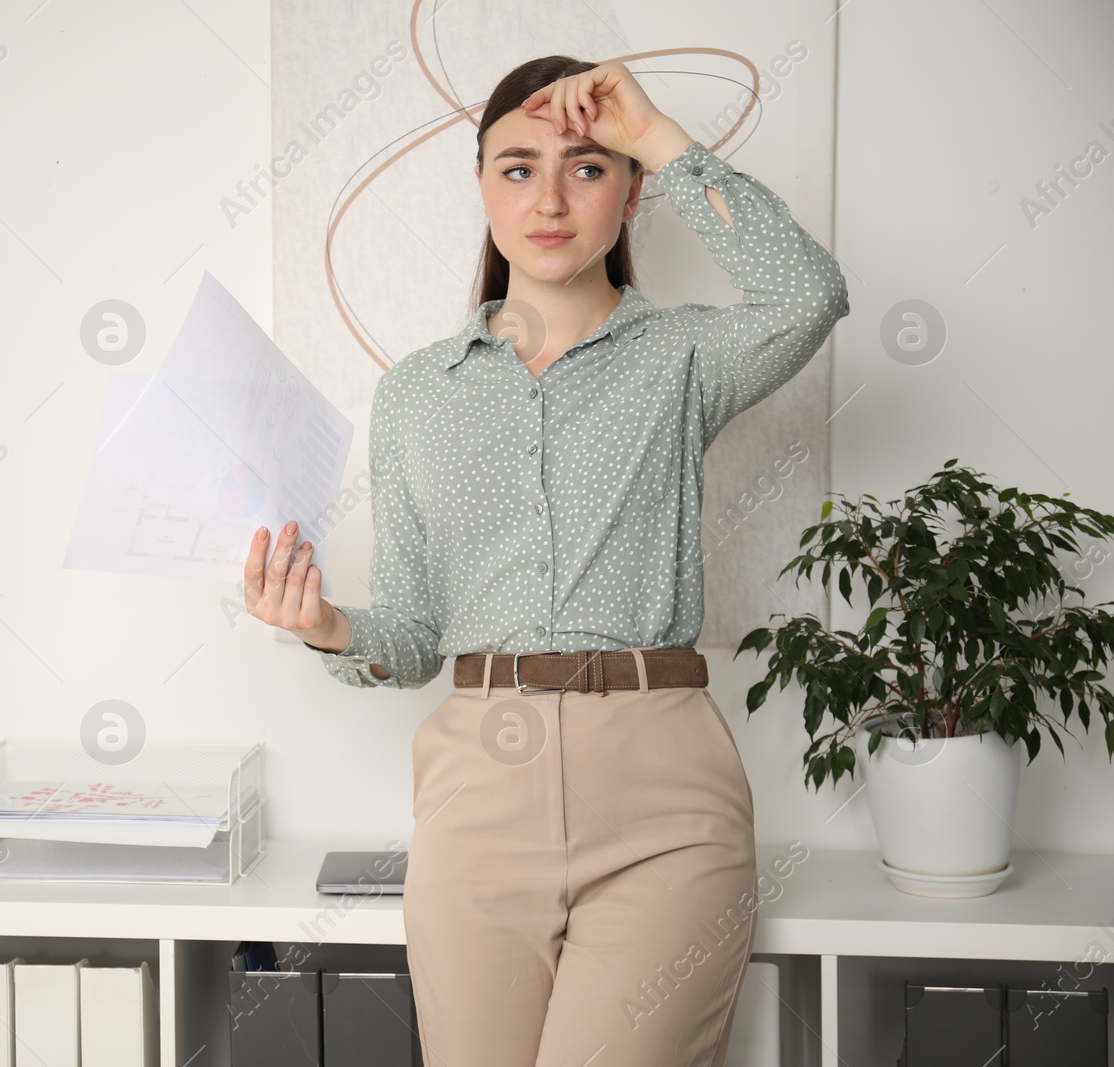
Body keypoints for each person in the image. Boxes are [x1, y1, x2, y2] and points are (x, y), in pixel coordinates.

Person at [243, 54, 849, 1067]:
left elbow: (808, 295)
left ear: (629, 191)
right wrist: (325, 625)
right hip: (476, 794)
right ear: (480, 187)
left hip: (663, 799)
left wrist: (654, 131)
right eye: (517, 169)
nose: (551, 199)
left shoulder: (682, 356)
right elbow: (411, 631)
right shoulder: (417, 395)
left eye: (589, 166)